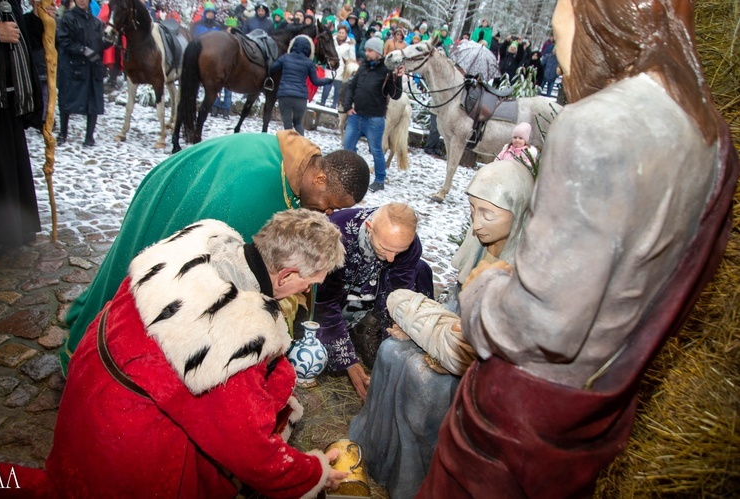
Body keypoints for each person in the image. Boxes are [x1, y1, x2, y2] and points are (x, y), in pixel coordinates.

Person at [420, 0, 739, 497]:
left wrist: (483, 292)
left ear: (598, 19)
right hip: (600, 399)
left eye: (558, 28)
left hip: (521, 409)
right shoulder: (712, 136)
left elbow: (542, 323)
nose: (561, 53)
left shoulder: (595, 123)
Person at [0, 213, 350, 497]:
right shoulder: (229, 337)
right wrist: (312, 472)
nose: (309, 288)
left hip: (91, 379)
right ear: (287, 275)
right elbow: (248, 448)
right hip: (127, 432)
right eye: (311, 280)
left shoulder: (196, 247)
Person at [62, 131, 370, 374]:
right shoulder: (257, 189)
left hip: (188, 179)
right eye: (331, 203)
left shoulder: (301, 163)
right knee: (137, 288)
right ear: (320, 179)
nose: (329, 212)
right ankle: (102, 355)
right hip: (177, 188)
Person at [349, 160, 534, 499]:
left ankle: (413, 479)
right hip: (451, 333)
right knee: (390, 352)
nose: (476, 223)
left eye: (488, 214)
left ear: (519, 212)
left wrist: (446, 346)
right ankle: (375, 454)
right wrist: (414, 329)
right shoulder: (482, 247)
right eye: (472, 210)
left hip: (481, 356)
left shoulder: (527, 264)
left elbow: (509, 339)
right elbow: (456, 304)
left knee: (424, 380)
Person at [314, 203, 434, 400]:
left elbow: (398, 293)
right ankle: (352, 333)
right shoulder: (336, 236)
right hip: (333, 297)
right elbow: (324, 302)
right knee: (322, 352)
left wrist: (393, 335)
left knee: (421, 270)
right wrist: (350, 363)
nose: (391, 258)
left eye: (399, 251)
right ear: (369, 228)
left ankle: (367, 329)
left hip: (369, 294)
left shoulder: (408, 245)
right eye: (385, 248)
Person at [0, 0, 52, 257]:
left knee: (11, 165)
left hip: (8, 96)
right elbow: (0, 32)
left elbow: (23, 38)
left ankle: (15, 230)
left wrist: (38, 20)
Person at [341, 37, 404, 192]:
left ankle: (380, 179)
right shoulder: (363, 67)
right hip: (356, 116)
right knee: (348, 145)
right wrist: (348, 106)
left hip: (374, 118)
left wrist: (399, 79)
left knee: (376, 149)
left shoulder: (386, 70)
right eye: (366, 50)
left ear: (377, 52)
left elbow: (395, 94)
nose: (366, 53)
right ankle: (353, 173)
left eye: (370, 51)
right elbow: (351, 87)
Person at [56, 0, 109, 147]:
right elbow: (63, 40)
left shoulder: (96, 22)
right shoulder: (67, 18)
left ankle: (89, 137)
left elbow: (100, 43)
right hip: (73, 67)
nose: (81, 0)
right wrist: (83, 50)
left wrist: (109, 41)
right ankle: (63, 133)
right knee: (67, 100)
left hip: (92, 68)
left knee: (93, 101)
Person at [270, 35, 331, 135]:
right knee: (298, 124)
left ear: (293, 46)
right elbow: (316, 81)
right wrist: (328, 80)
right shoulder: (309, 63)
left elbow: (272, 69)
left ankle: (288, 146)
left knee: (287, 125)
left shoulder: (285, 57)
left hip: (285, 95)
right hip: (301, 97)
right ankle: (302, 146)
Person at [319, 24, 356, 108]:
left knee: (337, 88)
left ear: (346, 34)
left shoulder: (350, 44)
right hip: (331, 66)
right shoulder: (332, 40)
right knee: (327, 85)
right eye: (340, 32)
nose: (341, 34)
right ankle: (322, 102)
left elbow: (352, 58)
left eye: (343, 33)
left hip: (342, 68)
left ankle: (334, 104)